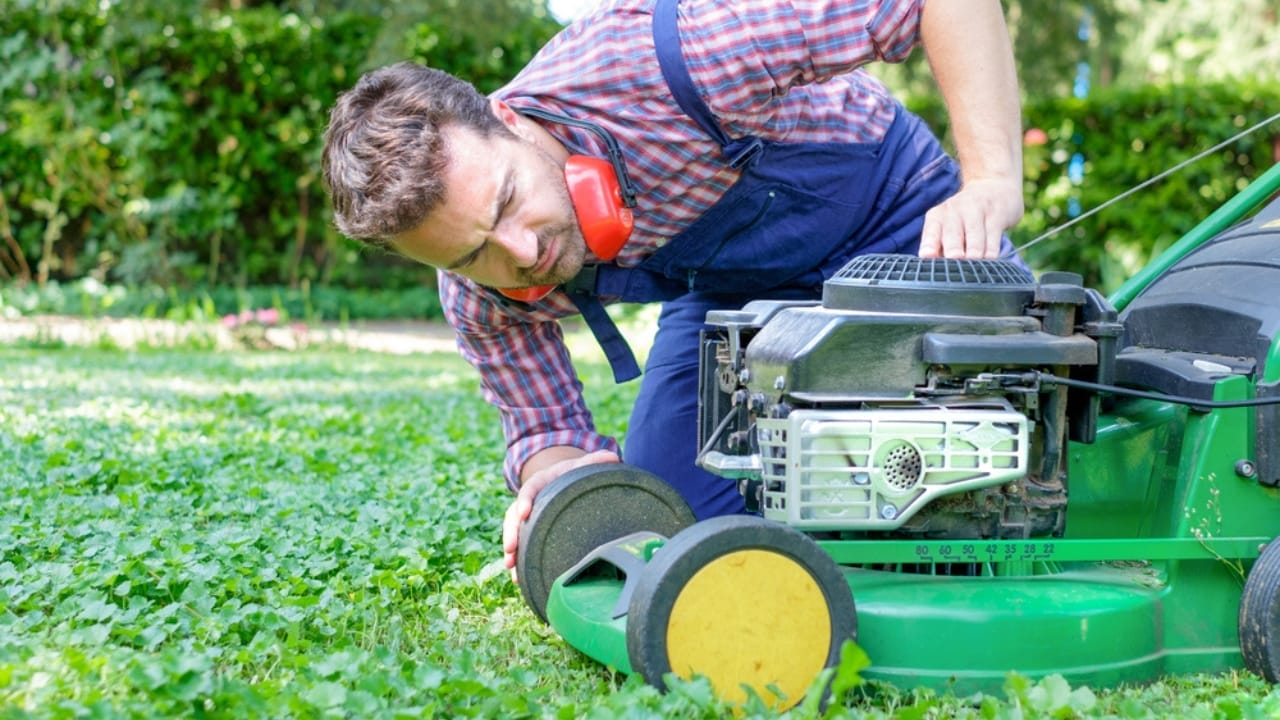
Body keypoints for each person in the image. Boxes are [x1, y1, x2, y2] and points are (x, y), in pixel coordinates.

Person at [321, 0, 1025, 578]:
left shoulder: (675, 59)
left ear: (507, 118)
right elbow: (547, 433)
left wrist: (991, 180)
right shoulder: (479, 293)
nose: (524, 253)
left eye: (508, 202)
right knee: (669, 506)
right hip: (736, 295)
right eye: (476, 253)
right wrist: (565, 481)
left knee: (1028, 422)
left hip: (893, 216)